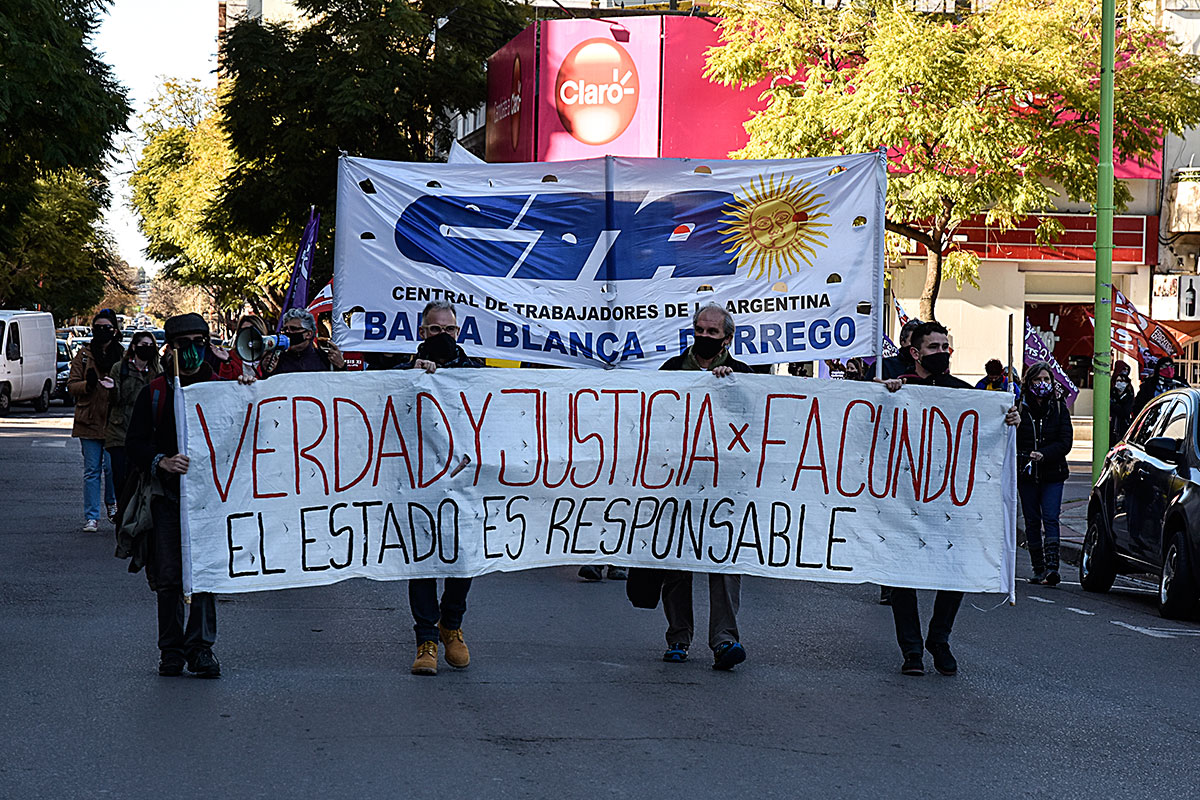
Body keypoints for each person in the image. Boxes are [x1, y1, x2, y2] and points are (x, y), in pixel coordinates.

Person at [884, 321, 1020, 677]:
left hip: (949, 501)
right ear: (914, 353)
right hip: (902, 498)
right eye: (933, 347)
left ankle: (938, 639)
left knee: (955, 572)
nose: (942, 353)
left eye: (946, 346)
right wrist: (883, 395)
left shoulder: (963, 393)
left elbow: (987, 432)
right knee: (901, 577)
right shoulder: (896, 389)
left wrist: (1009, 420)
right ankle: (911, 649)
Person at [125, 313, 225, 678]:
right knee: (169, 577)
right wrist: (161, 461)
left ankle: (200, 648)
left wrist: (247, 385)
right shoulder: (155, 392)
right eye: (185, 344)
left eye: (201, 342)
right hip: (167, 500)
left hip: (209, 503)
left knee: (204, 576)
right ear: (171, 349)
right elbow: (134, 443)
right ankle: (171, 650)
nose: (194, 351)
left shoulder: (220, 388)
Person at [656, 303, 753, 670]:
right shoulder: (670, 370)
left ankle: (725, 640)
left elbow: (755, 424)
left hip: (725, 486)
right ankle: (678, 637)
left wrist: (732, 388)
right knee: (677, 564)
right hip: (679, 484)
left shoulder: (743, 375)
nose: (705, 337)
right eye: (700, 330)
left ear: (727, 338)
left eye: (713, 333)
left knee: (725, 565)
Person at [402, 301, 481, 676]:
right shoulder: (402, 371)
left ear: (458, 332)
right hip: (417, 481)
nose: (443, 336)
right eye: (435, 330)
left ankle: (451, 625)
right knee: (421, 559)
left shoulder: (475, 372)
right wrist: (410, 378)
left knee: (462, 555)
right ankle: (426, 639)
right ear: (422, 332)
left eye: (449, 330)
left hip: (463, 481)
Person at [1016, 362, 1073, 586]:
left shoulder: (1059, 408)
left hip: (1052, 473)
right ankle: (1038, 568)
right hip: (1027, 475)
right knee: (1031, 520)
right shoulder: (1019, 407)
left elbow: (1065, 442)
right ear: (1029, 383)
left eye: (1046, 380)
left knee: (1050, 517)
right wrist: (1025, 456)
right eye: (1037, 380)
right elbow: (1009, 440)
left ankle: (1052, 569)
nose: (1042, 384)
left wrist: (1043, 454)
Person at [68, 309, 123, 530]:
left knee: (111, 468)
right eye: (97, 328)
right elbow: (71, 386)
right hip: (88, 420)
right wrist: (87, 385)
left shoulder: (122, 355)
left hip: (113, 421)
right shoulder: (83, 354)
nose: (102, 332)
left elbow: (129, 386)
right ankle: (92, 516)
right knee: (91, 471)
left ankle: (112, 502)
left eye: (106, 328)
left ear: (115, 331)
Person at [105, 330, 162, 500]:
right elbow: (114, 401)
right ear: (134, 346)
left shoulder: (156, 370)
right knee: (119, 477)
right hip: (119, 432)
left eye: (151, 346)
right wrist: (112, 388)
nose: (148, 349)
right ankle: (121, 513)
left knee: (139, 479)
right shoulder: (120, 368)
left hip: (145, 433)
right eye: (144, 345)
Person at [261, 308, 345, 375]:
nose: (288, 332)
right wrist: (267, 371)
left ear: (308, 334)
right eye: (285, 329)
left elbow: (341, 385)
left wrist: (341, 366)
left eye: (294, 329)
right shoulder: (277, 360)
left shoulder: (325, 359)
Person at [213, 314, 269, 381]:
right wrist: (226, 363)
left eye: (251, 330)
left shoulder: (268, 358)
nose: (247, 334)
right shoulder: (230, 357)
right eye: (243, 330)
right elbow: (224, 384)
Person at [1110, 361, 1135, 444]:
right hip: (1111, 425)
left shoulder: (1129, 392)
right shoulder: (1111, 390)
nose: (1120, 383)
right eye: (1119, 380)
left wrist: (1114, 405)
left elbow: (1126, 411)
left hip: (1123, 426)